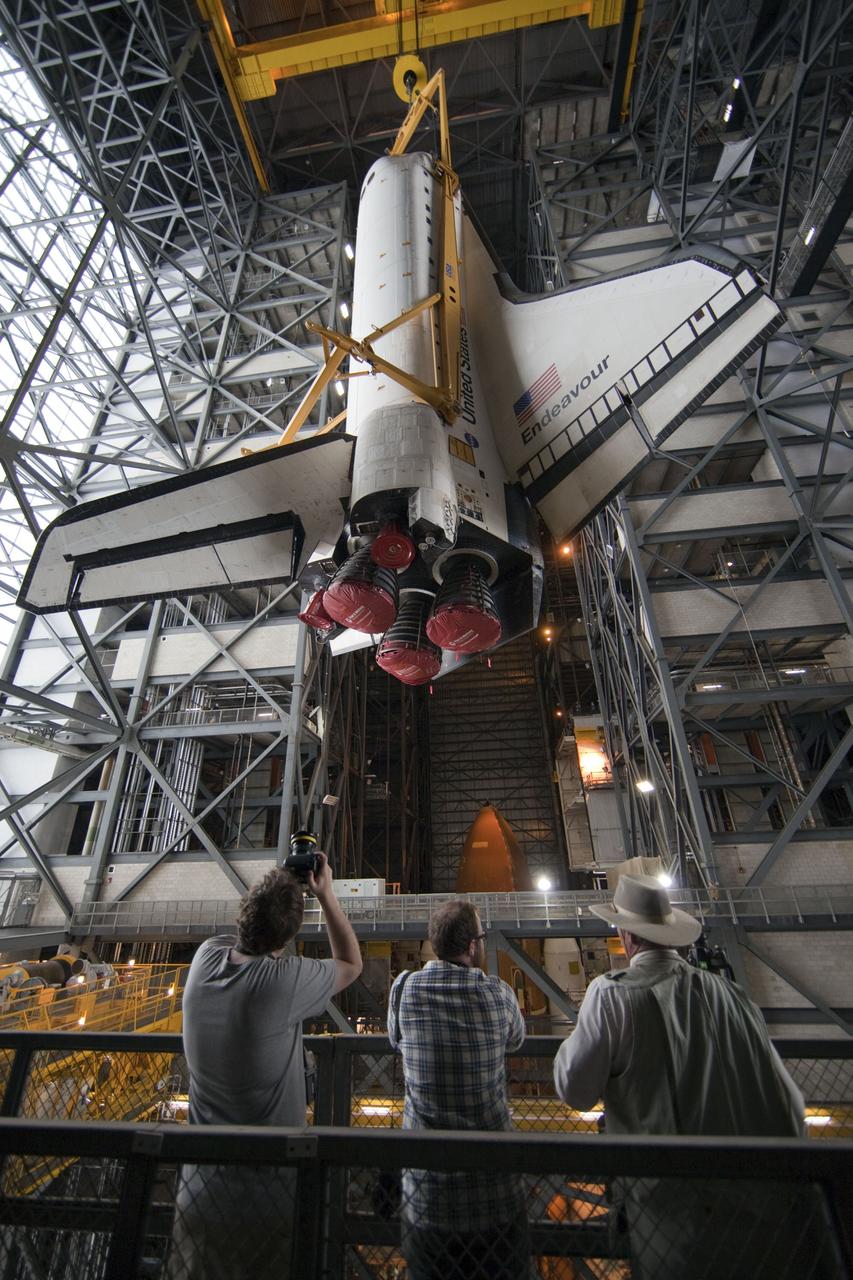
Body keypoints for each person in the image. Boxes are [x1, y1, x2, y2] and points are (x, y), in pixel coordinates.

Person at [553, 874, 813, 1280]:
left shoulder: (612, 994)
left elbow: (575, 1088)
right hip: (765, 1224)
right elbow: (790, 1104)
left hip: (672, 1227)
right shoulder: (735, 997)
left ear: (627, 935)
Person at [168, 855, 362, 1280]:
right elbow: (351, 963)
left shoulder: (204, 960)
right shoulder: (280, 983)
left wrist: (278, 887)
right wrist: (325, 893)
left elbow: (246, 934)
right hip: (266, 1203)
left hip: (197, 1194)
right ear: (287, 939)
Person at [388, 899, 530, 1280]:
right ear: (472, 947)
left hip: (427, 1198)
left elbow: (395, 1039)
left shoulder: (404, 989)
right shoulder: (499, 995)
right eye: (481, 938)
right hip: (495, 1195)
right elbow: (515, 1040)